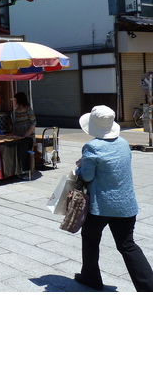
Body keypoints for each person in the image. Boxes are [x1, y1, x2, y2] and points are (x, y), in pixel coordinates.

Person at [75, 105, 153, 292]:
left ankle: (91, 278)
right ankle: (148, 287)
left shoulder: (91, 147)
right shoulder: (124, 143)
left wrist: (79, 166)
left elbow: (87, 177)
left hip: (100, 206)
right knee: (127, 245)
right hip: (126, 205)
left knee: (90, 239)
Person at [11, 91, 37, 178]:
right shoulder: (16, 111)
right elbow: (15, 124)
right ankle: (22, 171)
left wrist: (27, 134)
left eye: (15, 100)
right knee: (21, 154)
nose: (14, 102)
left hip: (28, 137)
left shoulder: (28, 110)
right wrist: (13, 134)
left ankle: (31, 172)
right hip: (19, 136)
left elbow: (33, 123)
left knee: (30, 154)